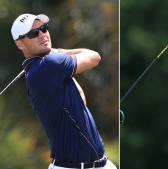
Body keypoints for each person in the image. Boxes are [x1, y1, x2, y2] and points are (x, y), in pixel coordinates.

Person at [11, 13, 117, 169]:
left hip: (101, 164)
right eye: (33, 33)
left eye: (43, 28)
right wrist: (56, 50)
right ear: (20, 44)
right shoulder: (47, 65)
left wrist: (51, 51)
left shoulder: (44, 68)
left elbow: (81, 98)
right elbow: (94, 57)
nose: (42, 35)